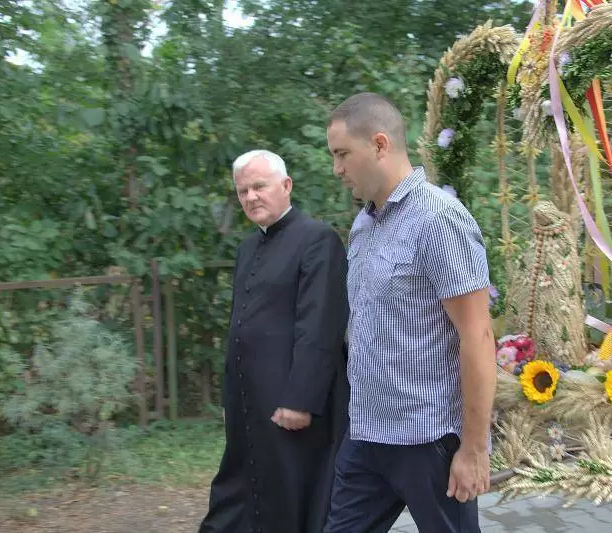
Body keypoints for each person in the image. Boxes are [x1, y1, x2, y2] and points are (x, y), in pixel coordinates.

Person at [322, 92, 497, 533]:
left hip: (428, 441)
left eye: (342, 154)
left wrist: (473, 450)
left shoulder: (439, 220)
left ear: (379, 144)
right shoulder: (364, 224)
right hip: (366, 436)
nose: (337, 169)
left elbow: (477, 336)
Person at [198, 149, 350, 533]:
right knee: (239, 495)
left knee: (291, 498)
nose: (251, 197)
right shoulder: (247, 248)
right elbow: (239, 326)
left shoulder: (318, 240)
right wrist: (231, 397)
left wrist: (301, 400)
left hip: (294, 405)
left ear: (286, 185)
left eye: (259, 186)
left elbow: (320, 325)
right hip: (250, 404)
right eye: (243, 191)